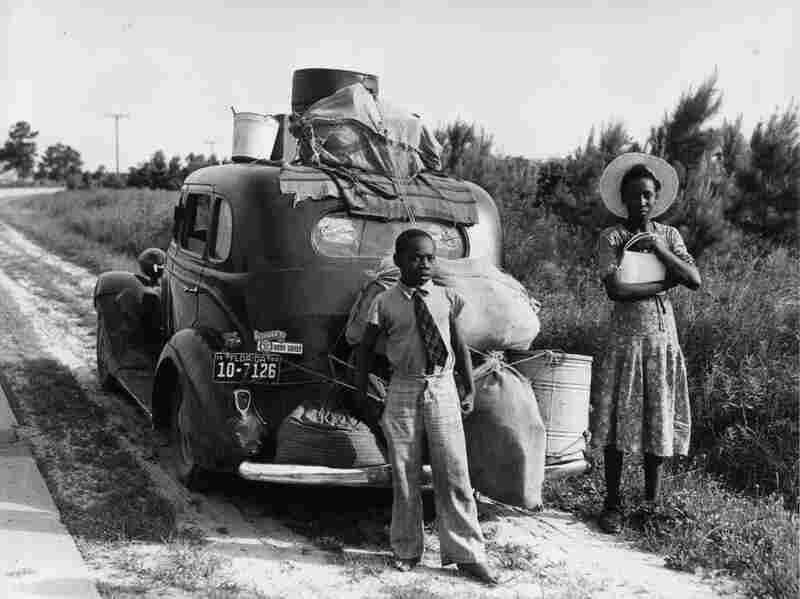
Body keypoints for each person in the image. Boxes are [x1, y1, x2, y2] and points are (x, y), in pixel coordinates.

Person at [357, 229, 498, 585]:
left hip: (443, 388)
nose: (424, 264)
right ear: (399, 260)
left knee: (453, 471)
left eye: (430, 258)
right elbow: (364, 350)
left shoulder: (447, 297)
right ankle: (406, 549)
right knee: (405, 474)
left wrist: (468, 387)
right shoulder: (384, 302)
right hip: (403, 389)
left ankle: (468, 554)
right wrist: (363, 393)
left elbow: (460, 346)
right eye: (416, 258)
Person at [592, 153, 702, 534]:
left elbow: (694, 278)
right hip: (625, 341)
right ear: (623, 198)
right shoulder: (612, 237)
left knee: (657, 416)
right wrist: (663, 285)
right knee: (616, 418)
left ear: (657, 198)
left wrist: (659, 249)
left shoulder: (669, 236)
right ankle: (612, 503)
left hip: (660, 340)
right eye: (634, 195)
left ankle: (651, 504)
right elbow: (617, 290)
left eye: (648, 195)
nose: (641, 202)